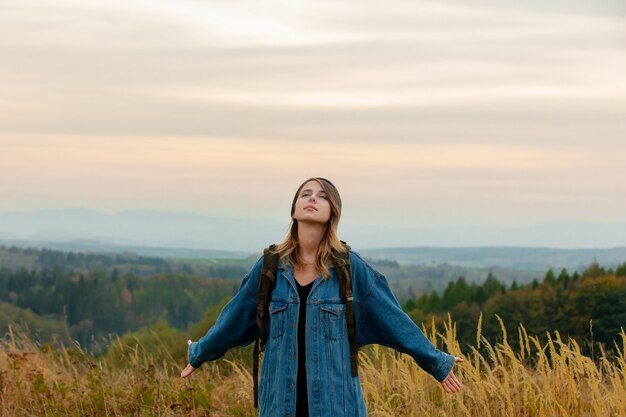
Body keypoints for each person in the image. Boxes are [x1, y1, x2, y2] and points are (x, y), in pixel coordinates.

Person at [181, 177, 463, 417]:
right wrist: (200, 353)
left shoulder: (351, 269)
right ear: (294, 210)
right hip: (279, 405)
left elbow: (395, 321)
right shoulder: (269, 268)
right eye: (305, 194)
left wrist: (435, 361)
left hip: (336, 406)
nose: (312, 199)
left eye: (322, 196)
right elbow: (234, 318)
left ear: (333, 212)